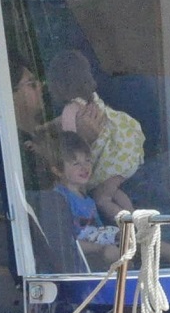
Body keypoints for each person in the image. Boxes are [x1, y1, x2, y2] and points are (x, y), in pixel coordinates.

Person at [46, 50, 143, 224]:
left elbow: (71, 143)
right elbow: (59, 122)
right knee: (114, 191)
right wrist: (45, 127)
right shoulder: (91, 100)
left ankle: (133, 230)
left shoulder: (71, 109)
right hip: (126, 150)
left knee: (101, 198)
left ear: (58, 86)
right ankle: (135, 217)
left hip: (113, 158)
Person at [48, 132, 121, 268]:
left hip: (101, 245)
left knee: (136, 239)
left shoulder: (88, 200)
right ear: (58, 171)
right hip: (85, 257)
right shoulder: (58, 198)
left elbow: (100, 230)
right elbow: (66, 241)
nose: (84, 167)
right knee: (114, 253)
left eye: (87, 161)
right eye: (76, 164)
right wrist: (100, 248)